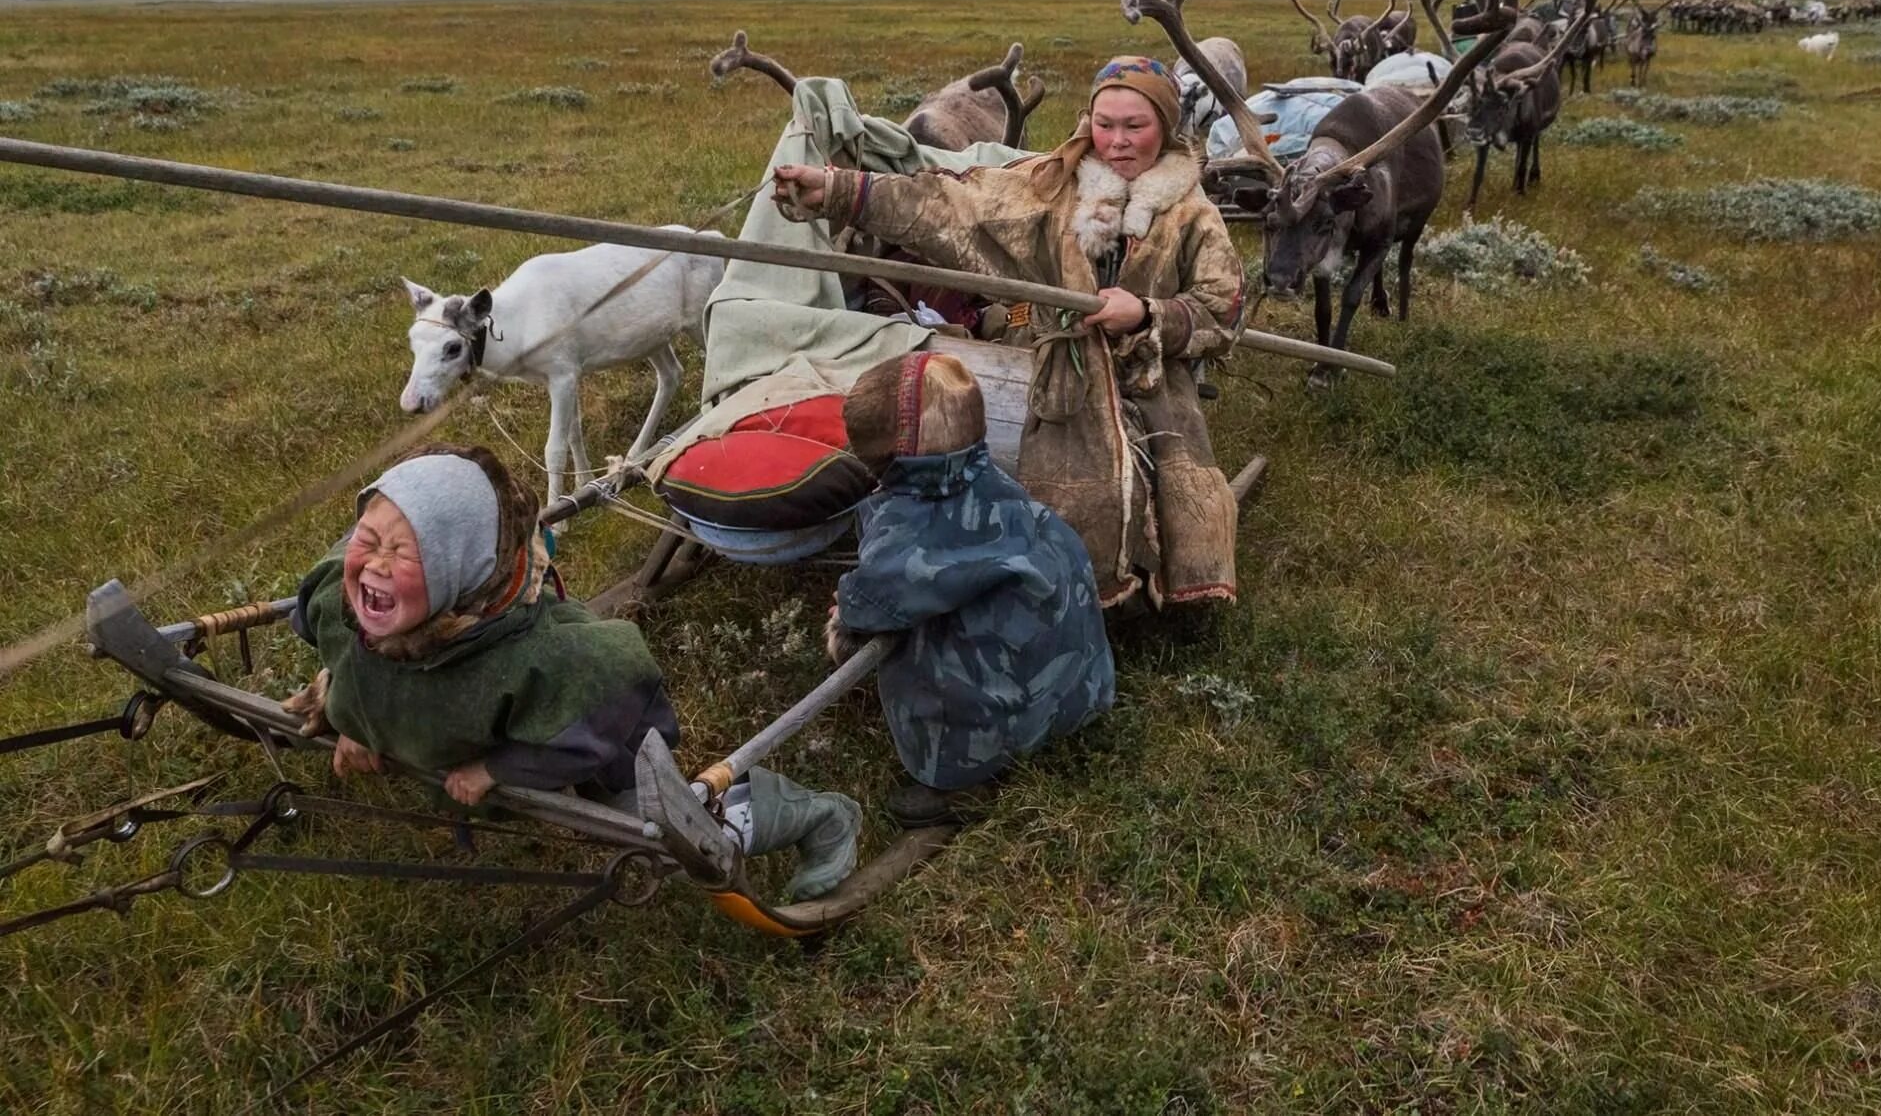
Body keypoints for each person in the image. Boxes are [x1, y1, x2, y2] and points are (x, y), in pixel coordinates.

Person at [282, 444, 859, 902]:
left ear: (460, 570)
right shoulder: (341, 597)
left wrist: (497, 767)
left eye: (404, 554)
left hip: (589, 746)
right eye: (368, 540)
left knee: (663, 832)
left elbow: (609, 693)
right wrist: (352, 714)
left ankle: (819, 817)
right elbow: (346, 656)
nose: (373, 564)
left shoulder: (548, 661)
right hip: (458, 724)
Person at [774, 57, 1245, 609]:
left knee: (1190, 502)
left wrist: (1147, 314)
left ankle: (1149, 576)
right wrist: (836, 190)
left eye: (1135, 126)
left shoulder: (1192, 213)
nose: (1117, 141)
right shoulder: (1049, 186)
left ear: (1164, 126)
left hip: (1148, 371)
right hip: (1050, 363)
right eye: (1105, 123)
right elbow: (945, 207)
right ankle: (1069, 588)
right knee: (1065, 485)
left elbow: (1223, 308)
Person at [825, 352, 1114, 826]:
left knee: (921, 650)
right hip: (1084, 688)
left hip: (999, 721)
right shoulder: (996, 481)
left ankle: (964, 776)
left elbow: (866, 606)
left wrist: (849, 613)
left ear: (884, 459)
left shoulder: (905, 531)